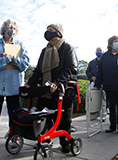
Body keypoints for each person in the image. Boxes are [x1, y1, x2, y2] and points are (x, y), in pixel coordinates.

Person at [25, 23, 78, 153]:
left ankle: (65, 142)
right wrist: (30, 83)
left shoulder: (67, 48)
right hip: (46, 89)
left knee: (63, 119)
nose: (47, 32)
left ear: (59, 33)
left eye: (51, 30)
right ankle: (45, 140)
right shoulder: (45, 50)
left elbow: (71, 69)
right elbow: (38, 70)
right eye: (47, 30)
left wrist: (56, 82)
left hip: (63, 89)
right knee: (43, 115)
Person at [0, 19, 29, 148]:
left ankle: (14, 136)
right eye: (9, 28)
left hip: (14, 86)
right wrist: (7, 59)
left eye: (14, 28)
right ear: (4, 29)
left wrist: (13, 58)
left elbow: (25, 64)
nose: (12, 30)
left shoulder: (20, 45)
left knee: (14, 113)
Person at [94, 35, 118, 136]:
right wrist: (97, 84)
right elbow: (100, 72)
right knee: (111, 107)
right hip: (109, 86)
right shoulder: (105, 56)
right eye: (116, 41)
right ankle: (112, 126)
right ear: (111, 44)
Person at [86, 47, 107, 121]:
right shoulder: (92, 62)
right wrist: (92, 77)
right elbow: (87, 71)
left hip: (103, 83)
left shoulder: (105, 61)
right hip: (93, 83)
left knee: (103, 99)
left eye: (100, 50)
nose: (99, 52)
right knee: (93, 99)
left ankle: (103, 115)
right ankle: (93, 115)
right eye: (97, 51)